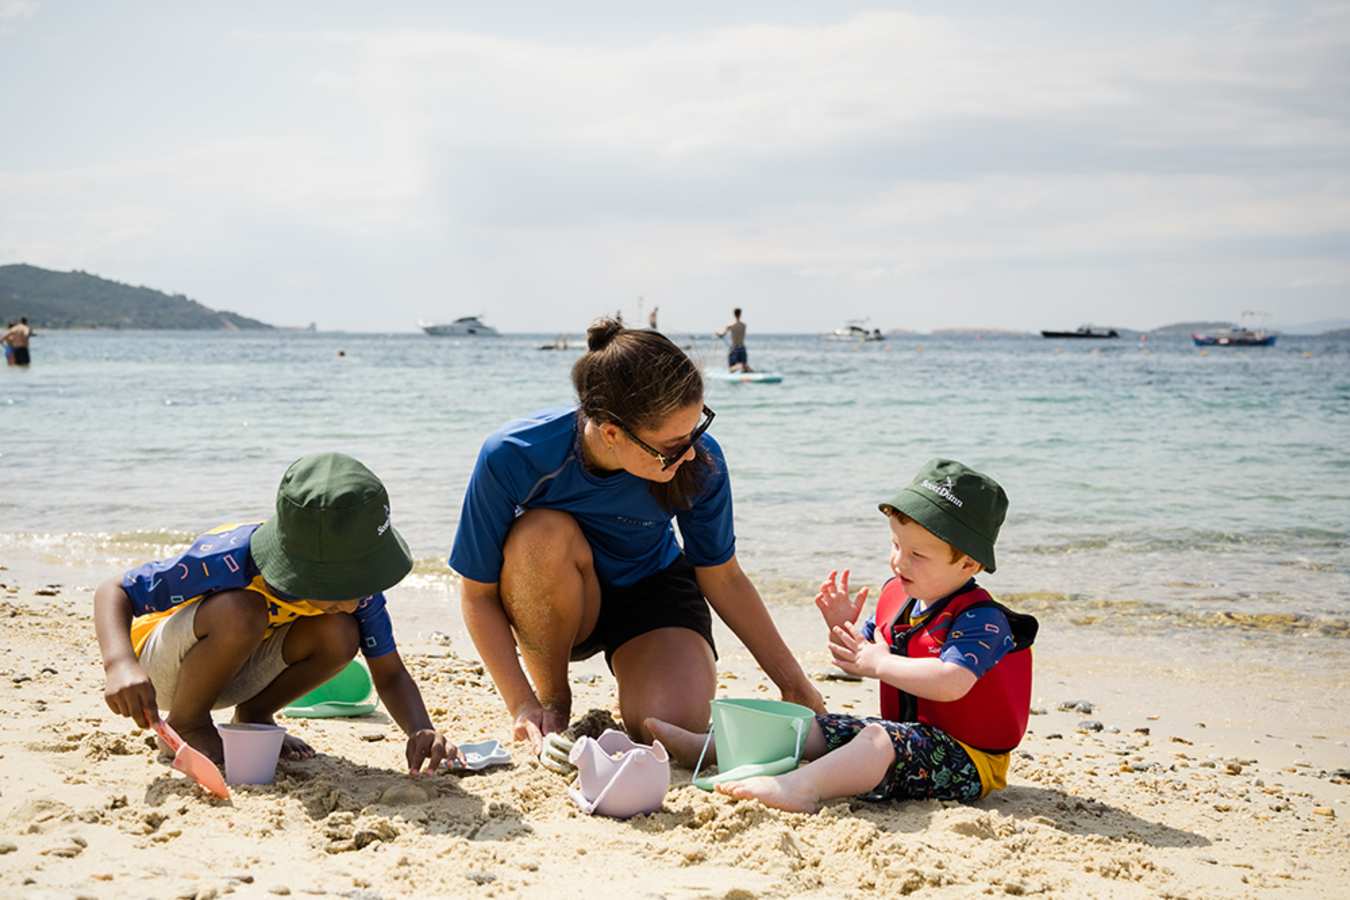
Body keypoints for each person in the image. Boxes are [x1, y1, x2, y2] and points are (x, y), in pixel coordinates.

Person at [449, 318, 823, 751]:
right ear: (612, 433)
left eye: (695, 430)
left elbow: (722, 576)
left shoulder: (700, 461)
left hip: (651, 587)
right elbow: (477, 594)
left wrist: (795, 685)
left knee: (669, 724)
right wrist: (522, 703)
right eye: (672, 444)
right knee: (541, 531)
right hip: (561, 598)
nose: (689, 452)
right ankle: (554, 703)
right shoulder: (514, 454)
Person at [649, 459, 1038, 813]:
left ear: (968, 562)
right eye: (895, 544)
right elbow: (858, 655)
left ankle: (800, 787)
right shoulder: (900, 597)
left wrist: (880, 663)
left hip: (968, 761)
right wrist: (844, 629)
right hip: (912, 738)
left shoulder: (982, 621)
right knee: (816, 724)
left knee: (876, 740)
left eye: (917, 555)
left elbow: (953, 682)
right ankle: (709, 748)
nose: (898, 561)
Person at [94, 452, 458, 772]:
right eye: (337, 589)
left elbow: (390, 674)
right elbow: (115, 590)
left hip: (237, 670)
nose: (352, 602)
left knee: (342, 632)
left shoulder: (358, 591)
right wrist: (120, 665)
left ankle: (253, 717)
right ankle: (188, 723)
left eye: (361, 585)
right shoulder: (226, 559)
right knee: (242, 610)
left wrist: (420, 729)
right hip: (160, 674)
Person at [715, 308, 750, 372]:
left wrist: (717, 334)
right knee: (744, 368)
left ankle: (740, 366)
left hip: (734, 349)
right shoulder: (744, 325)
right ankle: (743, 366)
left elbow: (722, 335)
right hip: (742, 348)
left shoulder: (730, 326)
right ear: (740, 314)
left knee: (731, 369)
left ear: (734, 314)